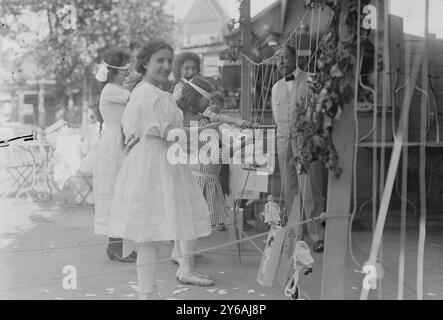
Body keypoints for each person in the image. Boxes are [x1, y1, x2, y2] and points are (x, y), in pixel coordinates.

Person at [108, 41, 222, 299]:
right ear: (145, 62)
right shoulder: (145, 93)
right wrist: (206, 131)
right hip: (152, 163)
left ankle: (149, 291)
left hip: (166, 159)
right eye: (159, 60)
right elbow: (169, 133)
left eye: (169, 61)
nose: (166, 66)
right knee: (149, 234)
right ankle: (146, 293)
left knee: (155, 234)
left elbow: (172, 132)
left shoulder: (163, 94)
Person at [271, 43, 325, 254]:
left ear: (295, 58)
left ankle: (317, 235)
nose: (281, 62)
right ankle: (296, 233)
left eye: (284, 57)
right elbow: (277, 117)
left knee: (310, 187)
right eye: (277, 59)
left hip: (305, 139)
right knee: (290, 188)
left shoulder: (311, 80)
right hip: (283, 140)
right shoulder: (276, 87)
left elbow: (318, 112)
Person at [93, 48, 136, 263]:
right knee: (116, 194)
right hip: (113, 145)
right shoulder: (111, 90)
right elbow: (136, 98)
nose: (128, 73)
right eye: (125, 70)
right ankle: (116, 247)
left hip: (120, 141)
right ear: (114, 72)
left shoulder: (116, 88)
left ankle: (119, 246)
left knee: (123, 194)